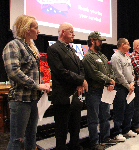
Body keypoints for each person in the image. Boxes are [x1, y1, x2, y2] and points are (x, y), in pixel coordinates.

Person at [2, 15, 50, 150]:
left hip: (33, 99)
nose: (38, 31)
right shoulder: (13, 45)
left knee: (31, 137)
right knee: (17, 139)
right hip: (20, 100)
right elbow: (14, 72)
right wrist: (37, 85)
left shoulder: (31, 47)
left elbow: (34, 72)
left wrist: (42, 83)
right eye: (36, 28)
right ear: (27, 29)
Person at [47, 22, 88, 150]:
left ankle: (75, 146)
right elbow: (60, 72)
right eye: (71, 31)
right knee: (62, 129)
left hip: (76, 94)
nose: (74, 34)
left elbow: (81, 66)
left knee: (75, 125)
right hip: (63, 96)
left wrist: (80, 82)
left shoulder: (71, 48)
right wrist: (80, 80)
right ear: (63, 32)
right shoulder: (53, 49)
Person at [82, 31, 117, 150]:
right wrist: (109, 80)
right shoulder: (88, 57)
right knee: (93, 118)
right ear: (92, 41)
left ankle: (105, 138)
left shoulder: (102, 55)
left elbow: (109, 69)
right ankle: (94, 142)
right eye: (99, 40)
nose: (101, 43)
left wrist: (111, 80)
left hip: (104, 90)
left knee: (105, 115)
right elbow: (94, 74)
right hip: (93, 91)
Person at [111, 38, 137, 142]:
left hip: (129, 88)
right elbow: (118, 74)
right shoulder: (115, 57)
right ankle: (117, 132)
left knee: (129, 109)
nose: (129, 46)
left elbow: (132, 72)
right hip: (121, 88)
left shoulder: (127, 56)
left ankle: (126, 129)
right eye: (128, 44)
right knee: (119, 110)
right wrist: (128, 85)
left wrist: (132, 83)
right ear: (123, 45)